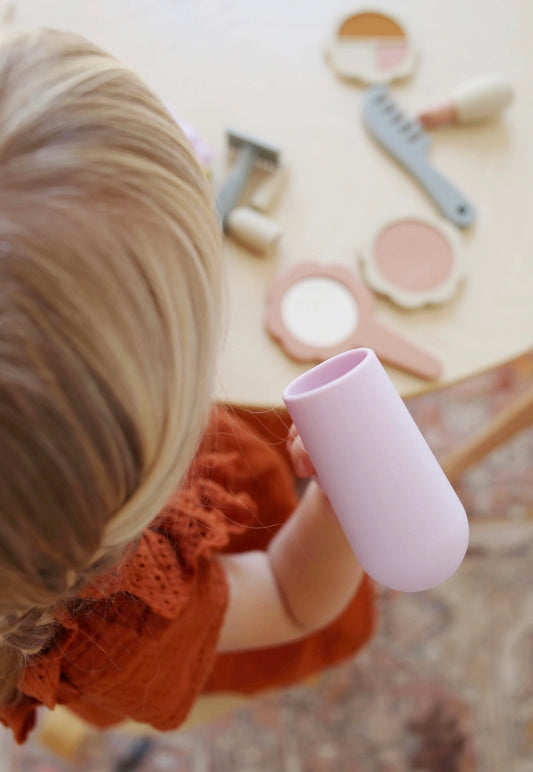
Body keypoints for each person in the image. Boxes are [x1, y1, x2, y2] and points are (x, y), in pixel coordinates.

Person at [0, 28, 375, 744]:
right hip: (239, 588)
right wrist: (342, 500)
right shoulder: (119, 622)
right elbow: (293, 599)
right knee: (325, 600)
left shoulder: (43, 444)